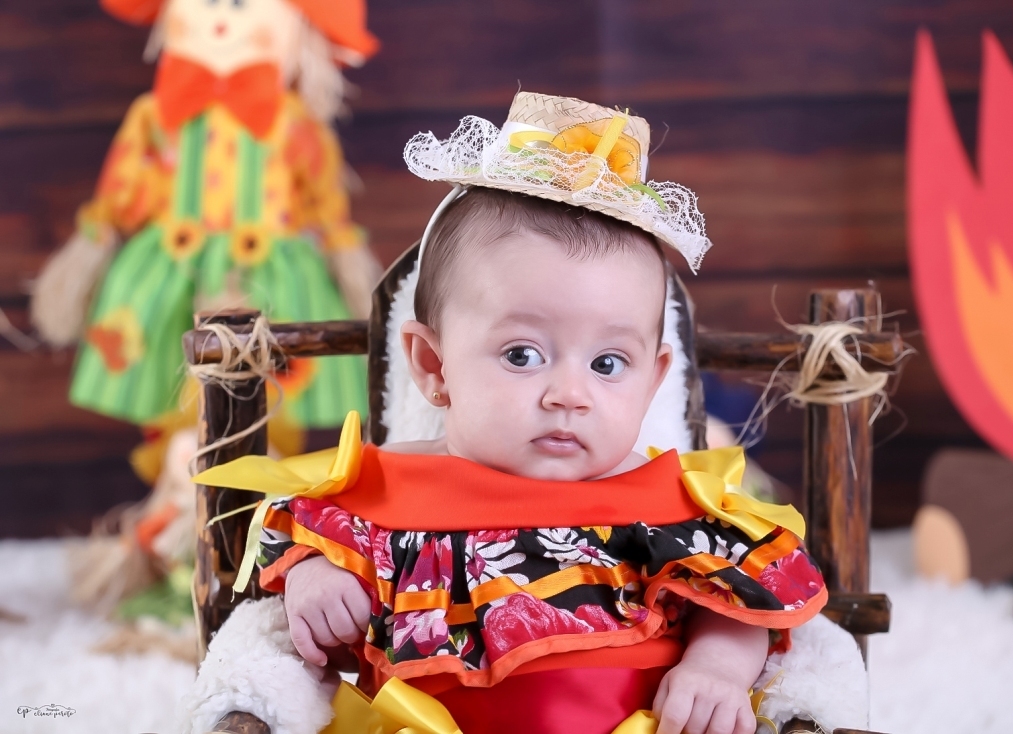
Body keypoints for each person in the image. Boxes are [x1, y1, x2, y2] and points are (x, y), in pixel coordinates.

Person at [196, 92, 826, 734]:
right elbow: (297, 539)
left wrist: (716, 669)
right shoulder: (384, 488)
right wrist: (314, 577)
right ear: (434, 365)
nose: (569, 394)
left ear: (652, 380)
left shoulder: (665, 503)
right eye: (522, 354)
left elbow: (744, 603)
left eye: (608, 363)